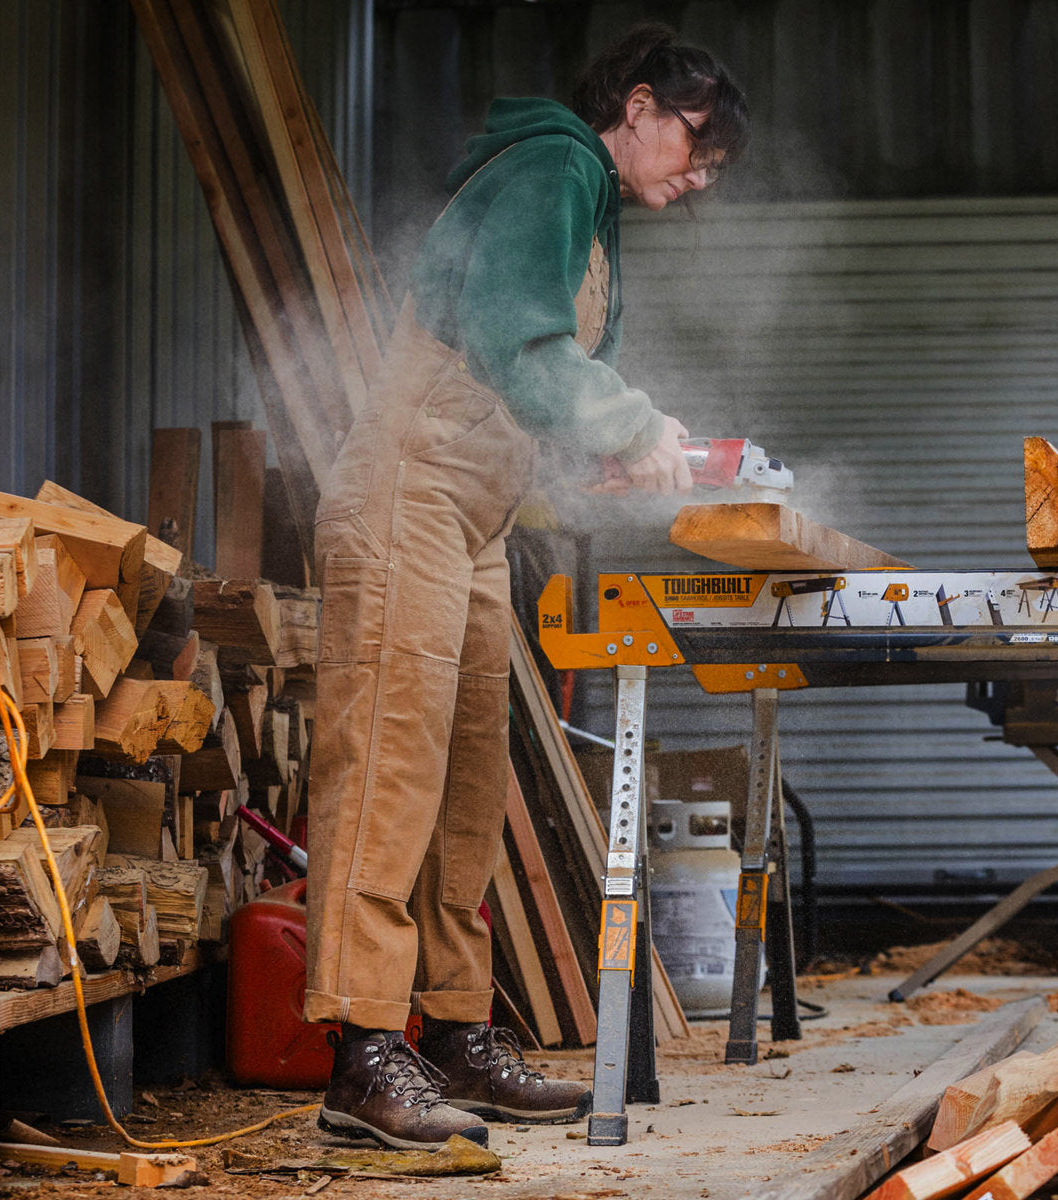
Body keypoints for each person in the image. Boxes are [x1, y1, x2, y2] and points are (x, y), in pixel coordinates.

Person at [304, 22, 750, 1152]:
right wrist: (627, 419)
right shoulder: (558, 163)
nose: (698, 177)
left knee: (465, 783)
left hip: (475, 516)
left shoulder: (586, 199)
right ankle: (360, 1058)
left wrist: (618, 440)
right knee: (388, 771)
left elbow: (535, 375)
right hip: (410, 493)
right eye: (695, 146)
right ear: (638, 106)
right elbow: (516, 337)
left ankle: (456, 1034)